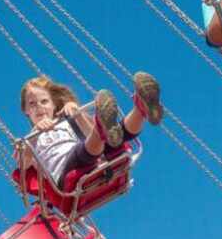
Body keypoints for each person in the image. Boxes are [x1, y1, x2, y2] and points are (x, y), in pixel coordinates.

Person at [17, 72, 163, 189]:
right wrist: (34, 134)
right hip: (66, 172)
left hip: (94, 153)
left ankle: (141, 108)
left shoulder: (66, 121)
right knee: (84, 149)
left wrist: (78, 115)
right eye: (32, 104)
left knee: (113, 137)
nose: (39, 107)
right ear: (25, 110)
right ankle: (101, 127)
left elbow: (88, 133)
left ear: (54, 104)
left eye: (44, 101)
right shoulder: (29, 140)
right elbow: (23, 164)